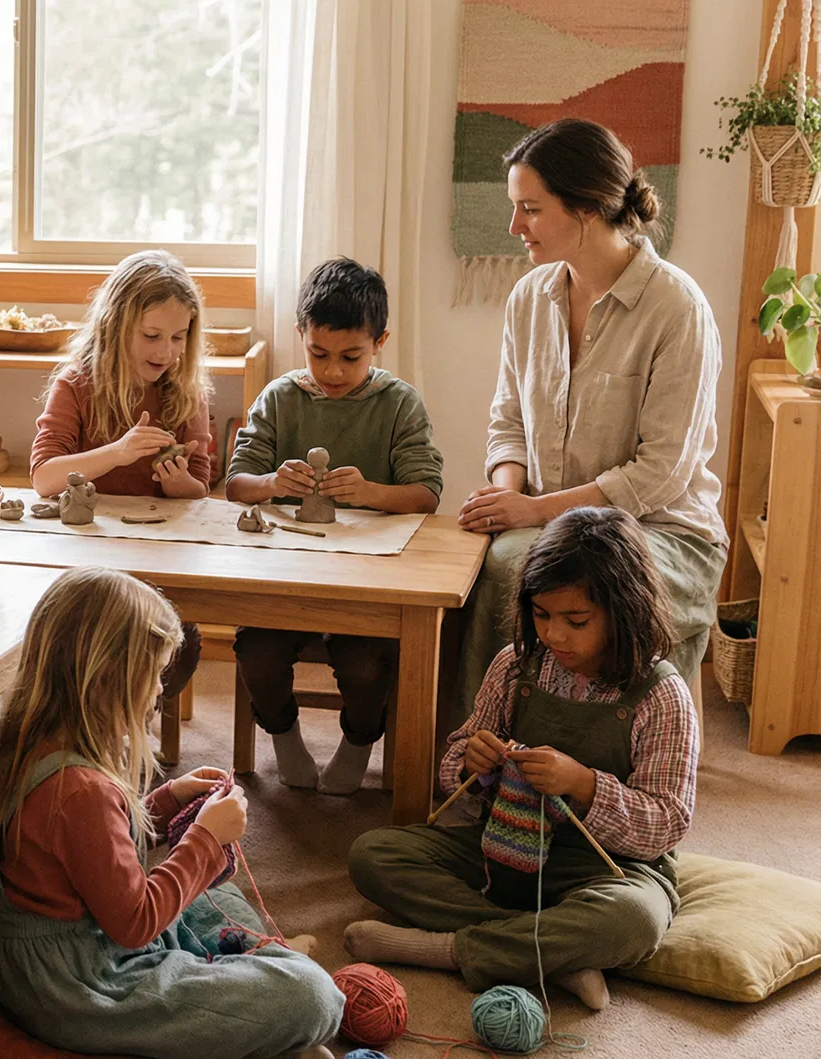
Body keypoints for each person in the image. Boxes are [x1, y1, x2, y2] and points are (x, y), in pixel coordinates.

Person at [0, 566, 344, 1059]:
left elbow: (90, 854)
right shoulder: (80, 791)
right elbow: (137, 923)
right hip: (85, 988)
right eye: (154, 675)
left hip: (63, 959)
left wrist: (168, 800)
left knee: (215, 893)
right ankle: (249, 1020)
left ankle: (242, 1001)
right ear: (109, 680)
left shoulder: (41, 748)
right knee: (315, 998)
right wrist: (204, 839)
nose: (157, 691)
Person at [347, 506, 694, 1013]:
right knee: (372, 855)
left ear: (624, 610)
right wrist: (472, 762)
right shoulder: (514, 666)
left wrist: (582, 783)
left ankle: (450, 949)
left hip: (607, 870)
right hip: (503, 851)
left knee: (635, 920)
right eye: (541, 614)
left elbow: (666, 824)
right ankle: (555, 955)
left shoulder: (661, 695)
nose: (554, 635)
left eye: (576, 620)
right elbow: (454, 766)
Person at [454, 118, 725, 722]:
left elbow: (660, 473)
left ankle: (612, 763)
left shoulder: (677, 308)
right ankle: (475, 752)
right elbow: (507, 423)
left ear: (588, 208)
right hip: (550, 521)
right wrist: (505, 502)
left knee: (522, 570)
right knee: (475, 566)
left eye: (531, 209)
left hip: (662, 531)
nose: (514, 227)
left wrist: (531, 513)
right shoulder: (529, 298)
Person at [225, 257, 443, 794]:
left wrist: (370, 494)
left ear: (380, 343)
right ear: (300, 335)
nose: (334, 372)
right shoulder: (281, 397)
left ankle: (358, 741)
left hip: (368, 580)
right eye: (318, 354)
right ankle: (283, 734)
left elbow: (426, 494)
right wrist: (272, 482)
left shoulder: (399, 403)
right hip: (287, 575)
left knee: (368, 664)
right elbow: (235, 484)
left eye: (351, 357)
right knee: (257, 652)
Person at [29, 250, 216, 720]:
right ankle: (100, 734)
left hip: (155, 563)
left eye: (179, 337)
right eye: (152, 336)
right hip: (87, 565)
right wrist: (117, 452)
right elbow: (44, 477)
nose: (166, 351)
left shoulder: (185, 392)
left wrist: (178, 484)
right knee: (91, 646)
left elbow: (201, 490)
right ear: (115, 326)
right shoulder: (77, 383)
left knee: (179, 645)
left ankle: (128, 731)